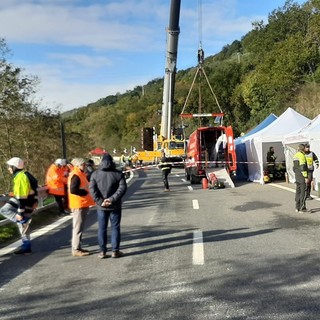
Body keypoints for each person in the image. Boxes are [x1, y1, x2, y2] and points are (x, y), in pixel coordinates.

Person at [89, 154, 127, 259]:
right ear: (112, 162)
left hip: (101, 206)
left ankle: (102, 251)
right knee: (115, 227)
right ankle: (115, 251)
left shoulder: (95, 174)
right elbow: (122, 188)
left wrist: (101, 201)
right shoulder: (118, 174)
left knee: (102, 228)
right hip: (115, 205)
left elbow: (92, 190)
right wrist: (111, 199)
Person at [0, 157, 38, 254]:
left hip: (24, 203)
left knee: (5, 211)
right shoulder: (25, 174)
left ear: (14, 167)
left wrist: (19, 213)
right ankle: (27, 247)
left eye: (9, 166)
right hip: (30, 201)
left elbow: (22, 197)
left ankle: (23, 221)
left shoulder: (20, 177)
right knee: (24, 226)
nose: (8, 168)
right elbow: (33, 188)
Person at [68, 158, 95, 257]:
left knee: (79, 226)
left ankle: (78, 246)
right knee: (78, 227)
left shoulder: (80, 174)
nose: (84, 166)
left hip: (82, 203)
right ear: (77, 165)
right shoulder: (76, 175)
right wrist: (84, 192)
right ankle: (76, 249)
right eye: (82, 164)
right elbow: (73, 189)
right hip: (79, 204)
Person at [293, 144, 309, 213]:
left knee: (298, 191)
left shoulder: (295, 155)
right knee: (303, 192)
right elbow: (303, 167)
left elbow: (293, 168)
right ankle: (302, 208)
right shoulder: (302, 156)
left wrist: (297, 173)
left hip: (297, 175)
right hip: (302, 175)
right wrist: (305, 177)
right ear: (303, 149)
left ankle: (297, 207)